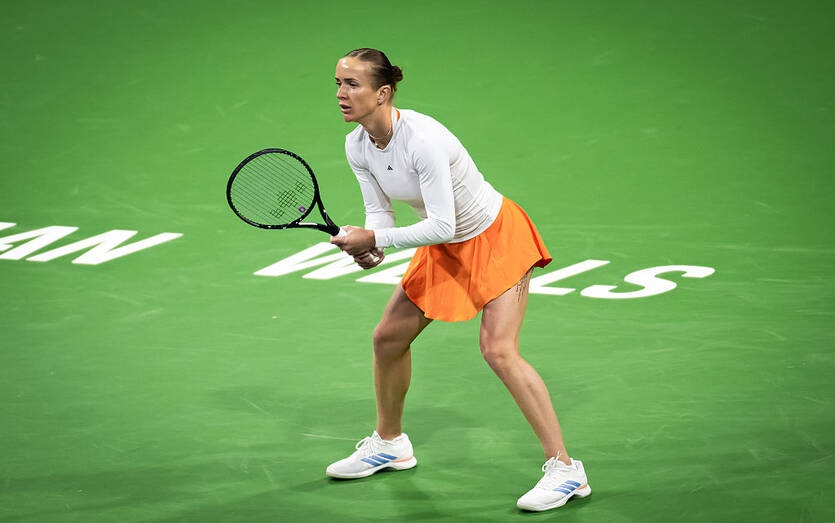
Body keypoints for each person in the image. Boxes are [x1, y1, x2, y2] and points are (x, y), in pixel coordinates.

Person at [326, 47, 591, 512]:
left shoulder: (423, 139)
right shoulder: (357, 145)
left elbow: (443, 225)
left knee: (499, 350)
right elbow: (379, 213)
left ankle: (566, 470)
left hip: (494, 237)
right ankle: (390, 443)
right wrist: (373, 247)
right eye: (338, 84)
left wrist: (376, 237)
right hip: (445, 248)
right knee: (388, 337)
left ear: (383, 93)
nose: (341, 94)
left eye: (352, 84)